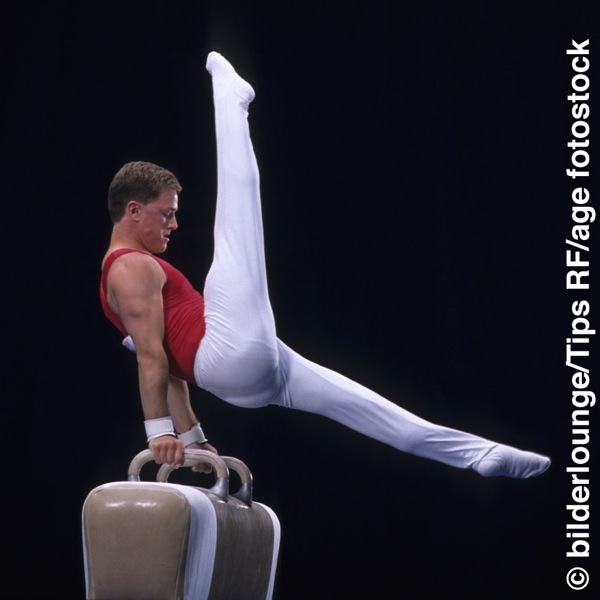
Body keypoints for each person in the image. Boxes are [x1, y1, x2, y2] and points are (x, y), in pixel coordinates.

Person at [101, 51, 551, 478]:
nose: (175, 223)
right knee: (237, 222)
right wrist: (159, 431)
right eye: (167, 212)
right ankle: (230, 98)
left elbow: (168, 370)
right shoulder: (129, 268)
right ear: (134, 210)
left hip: (246, 371)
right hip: (226, 353)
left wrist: (194, 439)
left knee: (367, 408)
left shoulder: (121, 278)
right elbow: (152, 357)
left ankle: (479, 455)